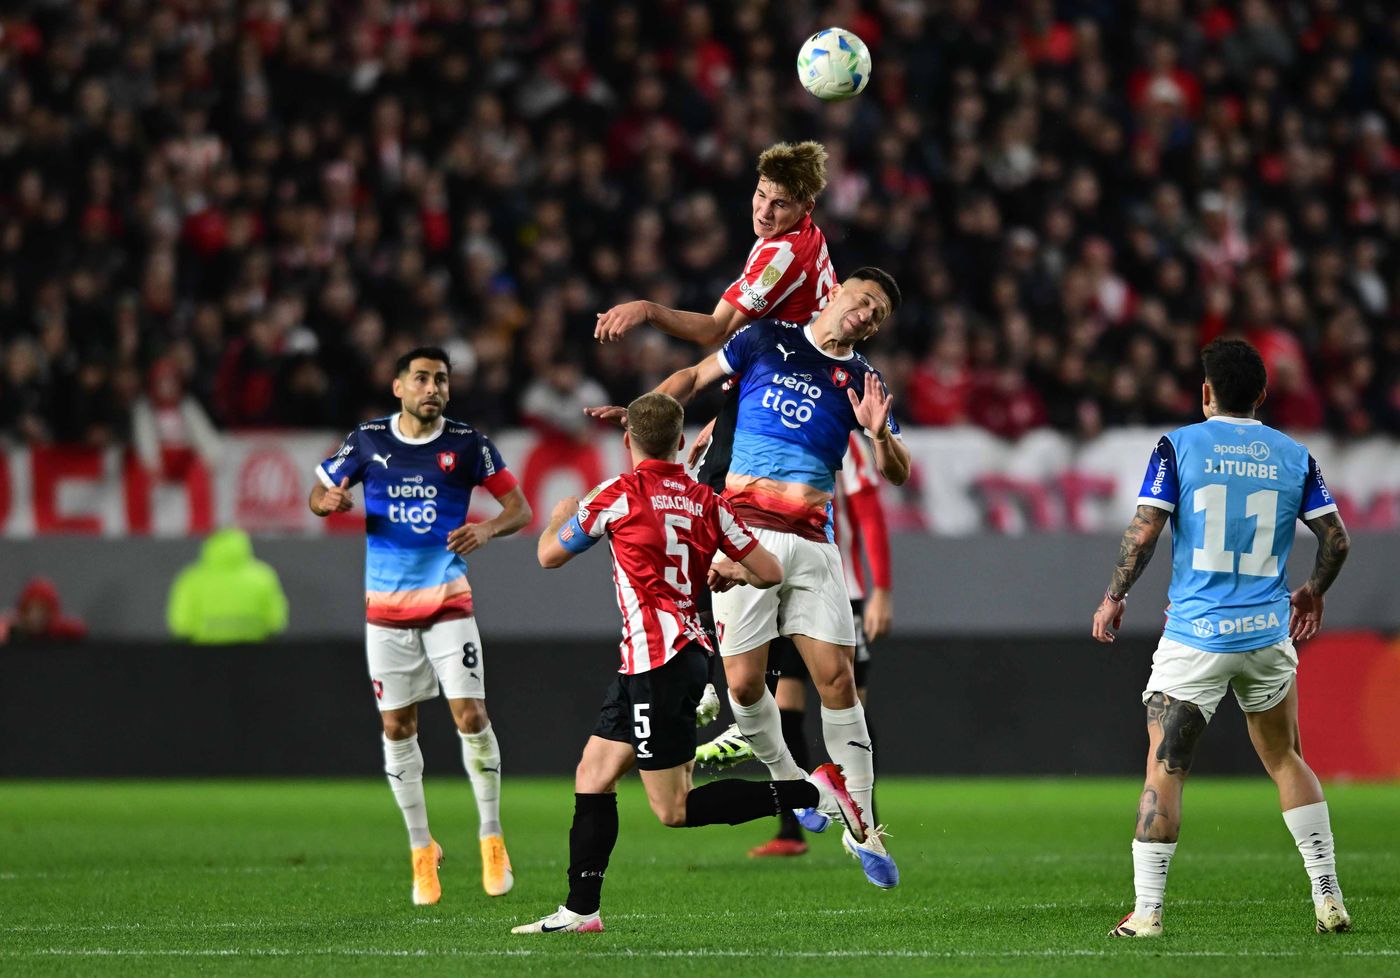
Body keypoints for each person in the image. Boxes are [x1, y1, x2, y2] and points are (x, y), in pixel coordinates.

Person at [588, 267, 910, 888]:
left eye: (879, 313)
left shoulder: (864, 381)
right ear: (837, 292)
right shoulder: (765, 339)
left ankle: (864, 827)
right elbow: (694, 376)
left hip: (814, 541)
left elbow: (894, 469)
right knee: (741, 685)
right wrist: (647, 412)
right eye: (863, 299)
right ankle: (797, 784)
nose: (867, 314)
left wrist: (876, 436)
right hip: (743, 535)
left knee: (837, 679)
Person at [512, 392, 868, 935]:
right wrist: (731, 571)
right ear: (681, 443)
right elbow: (770, 569)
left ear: (627, 441)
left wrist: (560, 515)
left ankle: (814, 792)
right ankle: (581, 909)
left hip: (657, 663)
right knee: (594, 772)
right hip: (671, 658)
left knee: (673, 809)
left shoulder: (616, 494)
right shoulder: (707, 501)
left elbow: (547, 555)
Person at [1092, 338, 1353, 937]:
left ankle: (1149, 914)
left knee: (1166, 768)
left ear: (1205, 393)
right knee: (1287, 758)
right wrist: (1312, 589)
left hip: (1196, 636)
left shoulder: (1178, 446)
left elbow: (1145, 530)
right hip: (1266, 634)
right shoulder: (1294, 455)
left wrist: (1114, 597)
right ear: (1262, 395)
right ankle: (1328, 895)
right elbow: (1337, 541)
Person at [309, 346, 531, 904]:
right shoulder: (366, 442)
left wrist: (486, 531)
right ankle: (420, 849)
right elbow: (316, 494)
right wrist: (328, 500)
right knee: (397, 729)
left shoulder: (468, 444)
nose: (433, 388)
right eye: (422, 379)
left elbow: (520, 510)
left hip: (449, 602)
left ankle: (491, 836)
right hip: (385, 611)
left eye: (441, 380)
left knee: (471, 713)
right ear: (398, 387)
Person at [699, 431, 894, 860]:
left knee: (846, 695)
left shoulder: (846, 439)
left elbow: (869, 515)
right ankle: (793, 821)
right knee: (783, 700)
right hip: (772, 576)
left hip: (833, 584)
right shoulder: (761, 434)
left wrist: (881, 588)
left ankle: (862, 817)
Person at [166, 528, 288, 644]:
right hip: (253, 654)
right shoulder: (263, 576)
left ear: (209, 547)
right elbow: (276, 622)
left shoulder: (191, 579)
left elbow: (181, 624)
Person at [0, 577, 87, 644]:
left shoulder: (57, 630)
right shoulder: (14, 628)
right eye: (30, 610)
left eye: (42, 610)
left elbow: (78, 628)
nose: (35, 616)